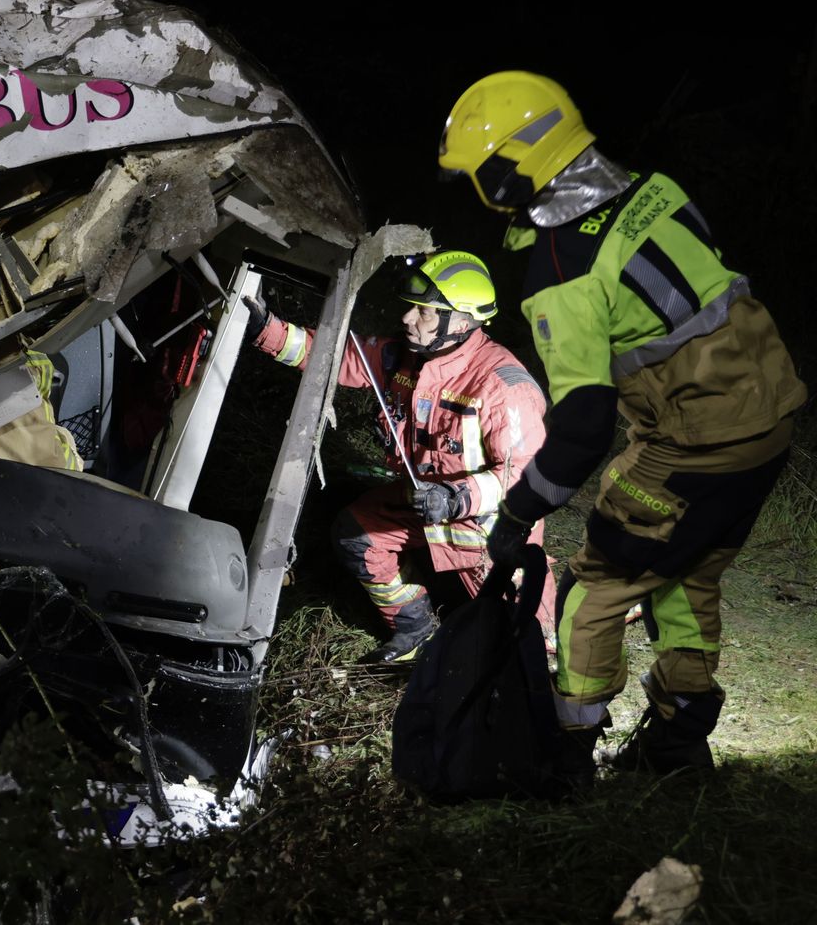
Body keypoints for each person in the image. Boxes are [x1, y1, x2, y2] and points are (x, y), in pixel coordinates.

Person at [437, 70, 807, 783]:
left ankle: (567, 759)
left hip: (694, 445)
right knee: (685, 577)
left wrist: (518, 512)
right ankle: (677, 750)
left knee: (592, 588)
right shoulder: (655, 189)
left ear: (509, 172)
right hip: (768, 425)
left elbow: (581, 428)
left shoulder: (563, 273)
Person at [245, 250, 552, 663]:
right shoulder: (404, 357)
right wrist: (268, 330)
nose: (408, 318)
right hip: (424, 505)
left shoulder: (503, 386)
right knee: (358, 533)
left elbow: (528, 478)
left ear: (461, 322)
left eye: (425, 312)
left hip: (487, 532)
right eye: (412, 308)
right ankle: (415, 628)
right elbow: (337, 358)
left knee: (531, 648)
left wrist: (457, 497)